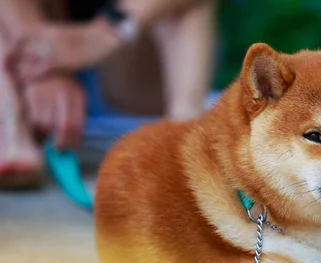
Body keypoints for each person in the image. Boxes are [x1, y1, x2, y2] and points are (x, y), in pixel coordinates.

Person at [0, 0, 216, 188]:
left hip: (122, 48)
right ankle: (9, 119)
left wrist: (110, 31)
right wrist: (39, 63)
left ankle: (185, 130)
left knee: (186, 4)